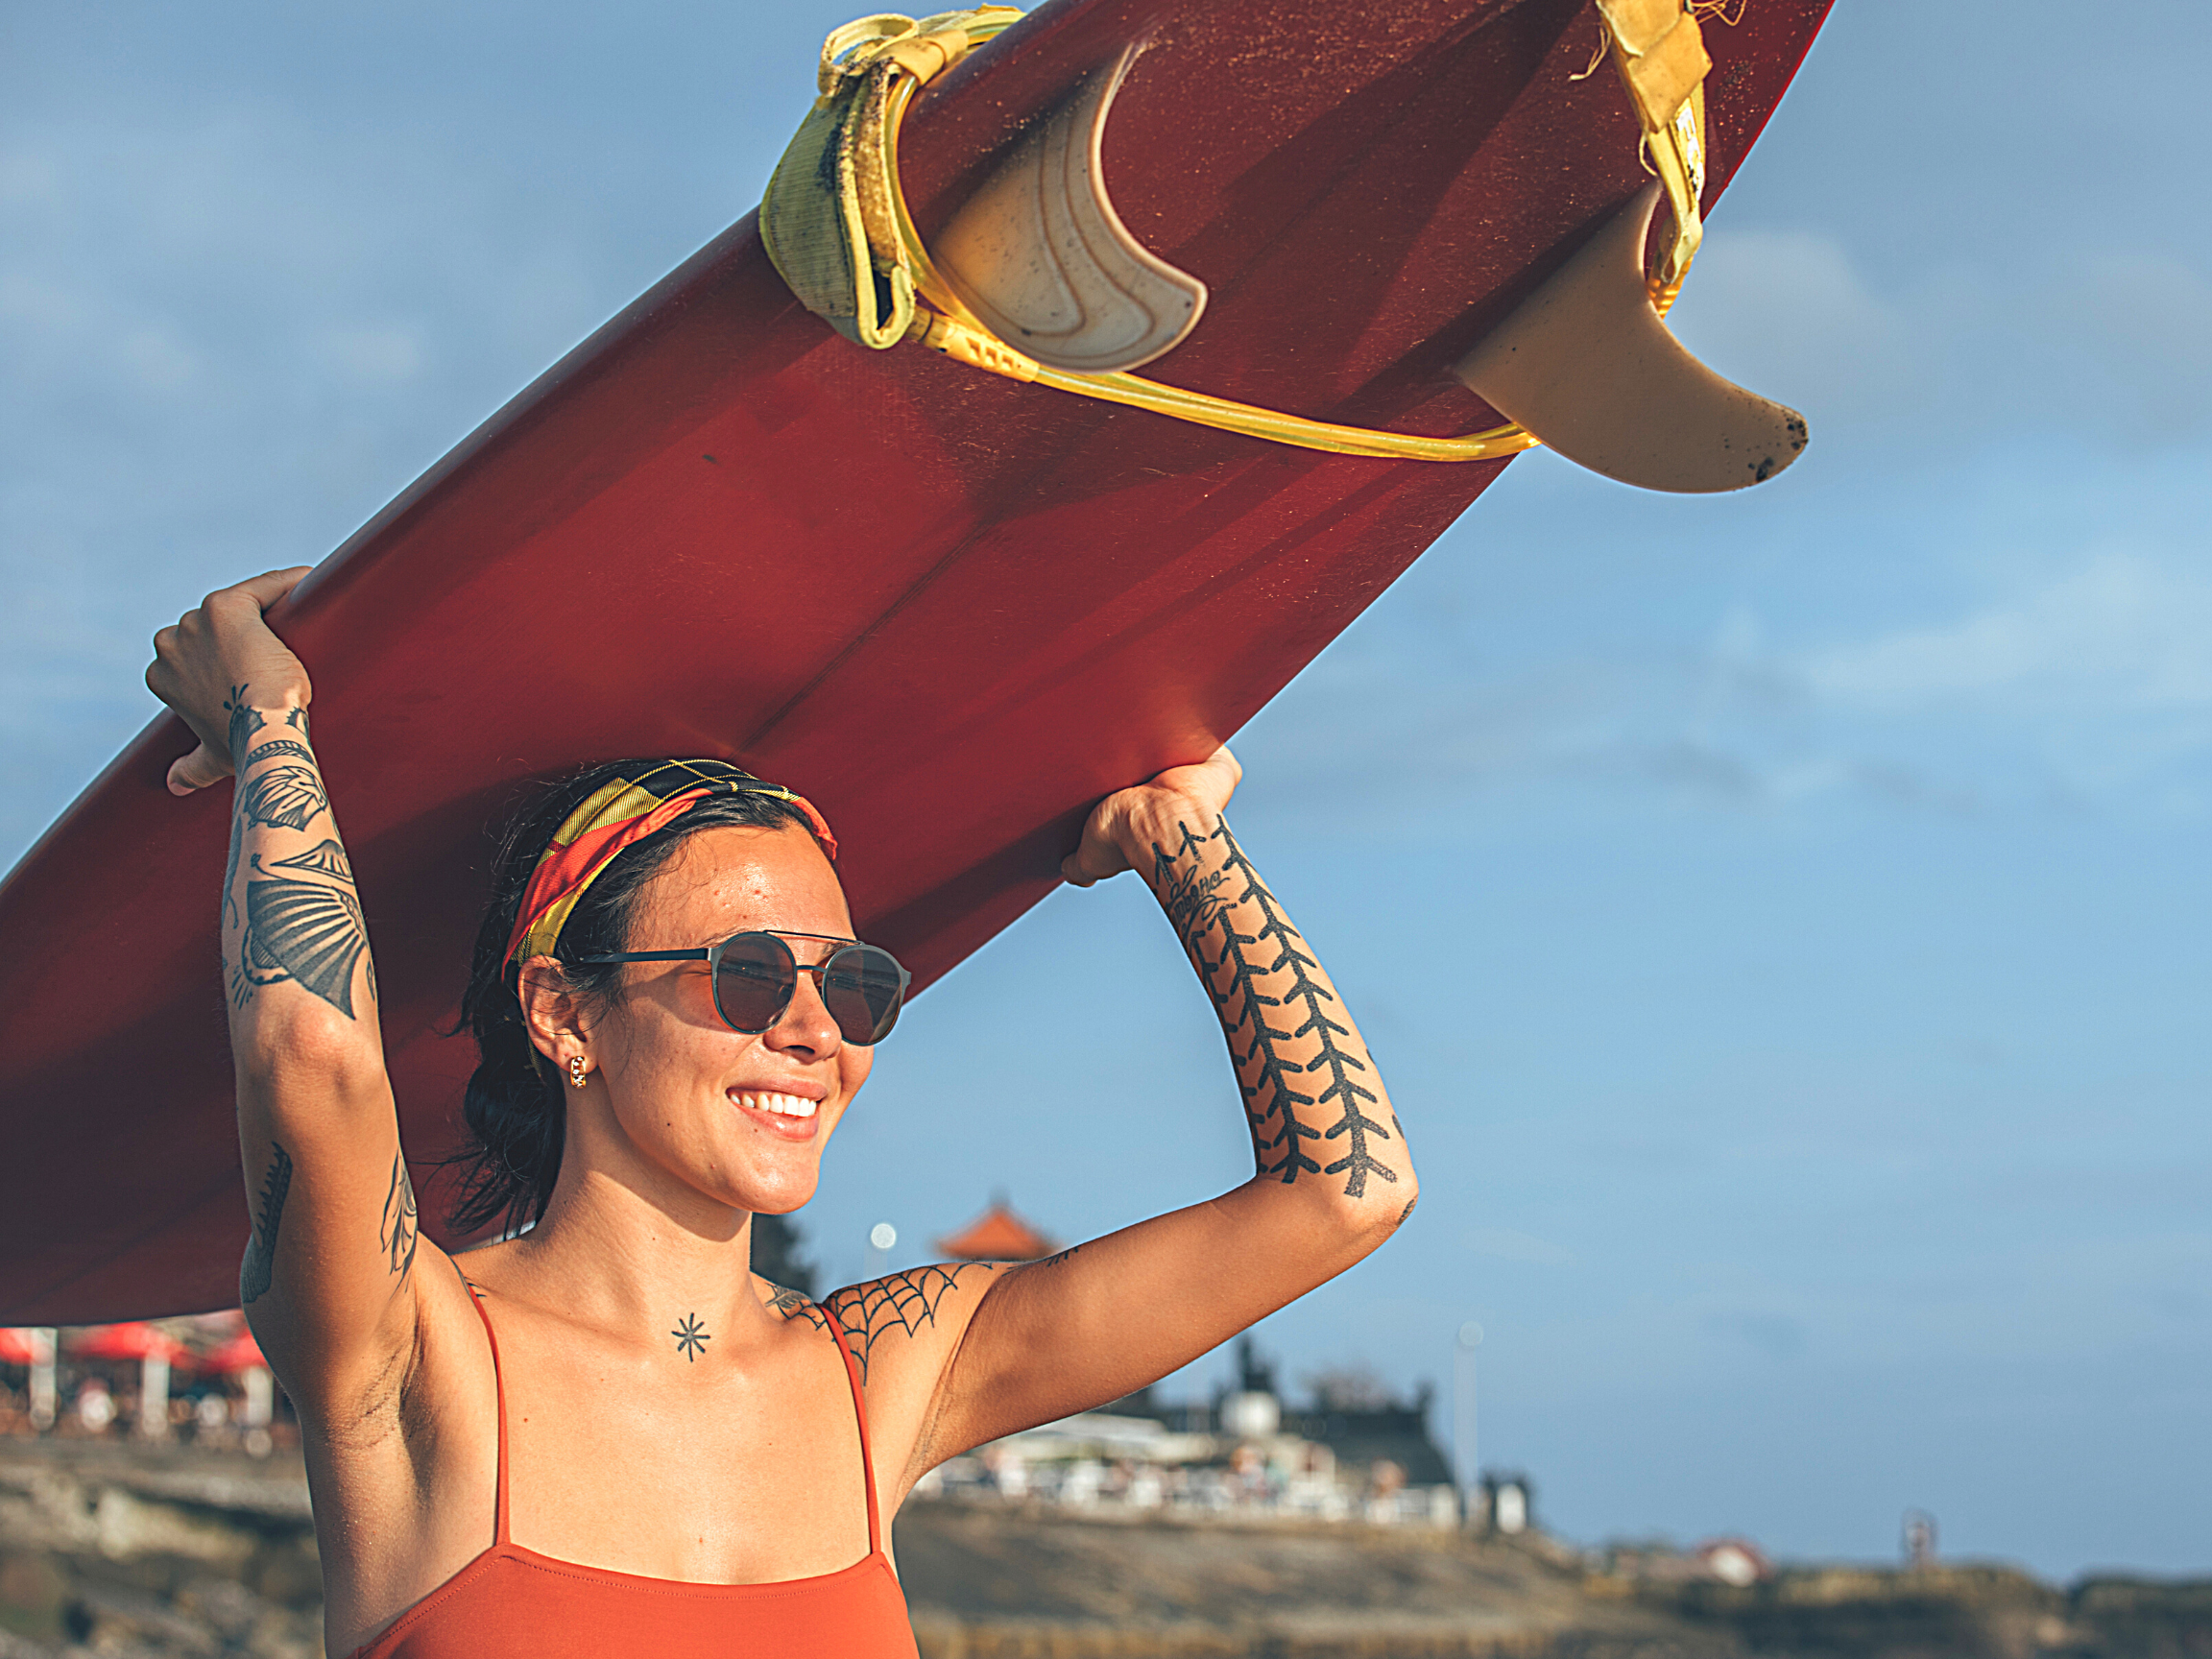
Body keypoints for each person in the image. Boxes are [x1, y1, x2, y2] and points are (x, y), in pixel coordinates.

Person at [147, 568, 1418, 1658]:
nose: (815, 1031)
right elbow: (313, 1044)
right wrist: (268, 717)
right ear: (564, 1015)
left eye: (853, 986)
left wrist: (1171, 835)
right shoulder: (409, 1352)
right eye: (748, 975)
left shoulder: (884, 1377)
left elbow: (1344, 1190)